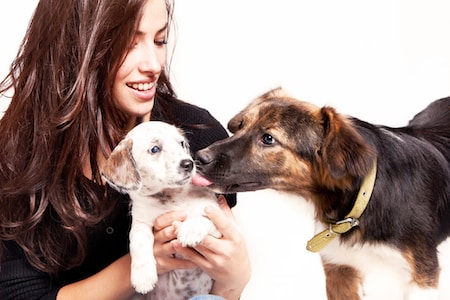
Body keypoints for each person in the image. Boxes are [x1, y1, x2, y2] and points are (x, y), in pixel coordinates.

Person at [0, 0, 251, 299]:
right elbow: (20, 295)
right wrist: (147, 261)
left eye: (160, 40)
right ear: (76, 48)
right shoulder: (15, 155)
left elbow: (210, 284)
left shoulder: (196, 134)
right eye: (130, 44)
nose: (153, 65)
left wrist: (235, 277)